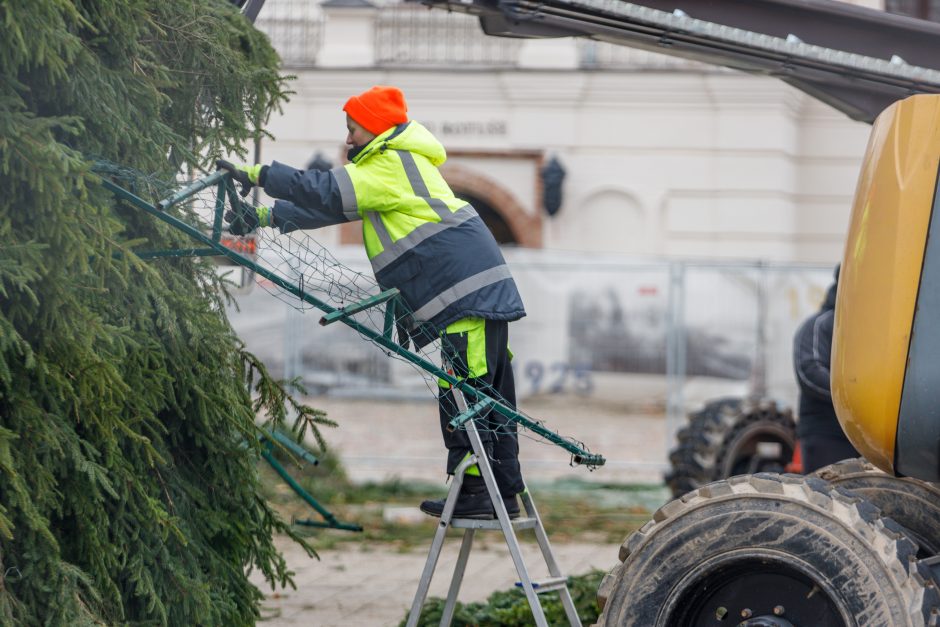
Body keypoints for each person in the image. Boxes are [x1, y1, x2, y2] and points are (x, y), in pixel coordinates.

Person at [217, 85, 526, 519]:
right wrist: (266, 217)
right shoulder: (396, 167)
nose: (347, 140)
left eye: (353, 128)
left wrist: (258, 175)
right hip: (473, 291)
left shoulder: (390, 165)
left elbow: (324, 191)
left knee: (464, 390)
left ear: (376, 128)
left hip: (466, 295)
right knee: (486, 391)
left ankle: (480, 495)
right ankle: (500, 493)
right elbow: (337, 209)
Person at [792, 265, 860, 473]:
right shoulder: (821, 324)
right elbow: (809, 372)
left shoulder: (875, 328)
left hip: (868, 438)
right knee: (829, 498)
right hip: (828, 435)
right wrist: (855, 398)